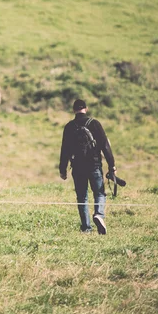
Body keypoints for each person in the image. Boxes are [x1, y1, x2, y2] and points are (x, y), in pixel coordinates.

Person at [59, 99, 116, 234]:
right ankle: (99, 214)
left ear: (74, 110)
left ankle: (86, 228)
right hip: (94, 165)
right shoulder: (94, 124)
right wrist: (111, 165)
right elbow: (105, 146)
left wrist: (63, 169)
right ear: (86, 108)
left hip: (77, 167)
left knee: (82, 197)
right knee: (99, 193)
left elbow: (65, 150)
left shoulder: (69, 127)